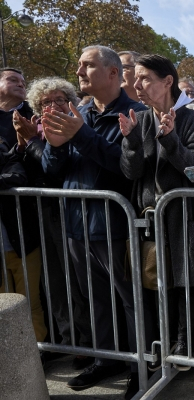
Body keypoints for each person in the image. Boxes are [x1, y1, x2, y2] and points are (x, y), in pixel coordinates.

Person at [41, 45, 153, 399]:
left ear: (112, 74)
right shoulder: (79, 113)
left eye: (86, 65)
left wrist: (80, 136)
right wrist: (56, 146)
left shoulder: (137, 114)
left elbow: (127, 171)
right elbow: (51, 171)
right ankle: (108, 359)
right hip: (75, 225)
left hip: (114, 226)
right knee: (95, 299)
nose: (78, 72)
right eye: (78, 65)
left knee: (130, 299)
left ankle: (142, 366)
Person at [119, 54, 194, 372]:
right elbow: (131, 173)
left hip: (181, 219)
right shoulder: (141, 119)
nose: (136, 85)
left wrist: (171, 140)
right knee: (153, 284)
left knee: (185, 282)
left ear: (167, 81)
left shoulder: (192, 119)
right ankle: (161, 343)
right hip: (149, 222)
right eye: (135, 79)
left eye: (144, 78)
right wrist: (130, 143)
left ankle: (185, 344)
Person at [13, 76, 93, 369]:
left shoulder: (76, 126)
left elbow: (56, 170)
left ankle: (88, 345)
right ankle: (67, 340)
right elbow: (22, 169)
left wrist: (34, 142)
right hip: (41, 214)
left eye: (60, 99)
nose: (53, 105)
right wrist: (24, 144)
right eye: (46, 101)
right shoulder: (33, 128)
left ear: (70, 102)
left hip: (71, 213)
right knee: (54, 282)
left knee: (76, 282)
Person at [0, 67, 46, 346]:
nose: (20, 84)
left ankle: (35, 349)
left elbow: (17, 170)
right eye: (12, 79)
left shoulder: (33, 114)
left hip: (22, 224)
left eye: (22, 81)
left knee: (29, 295)